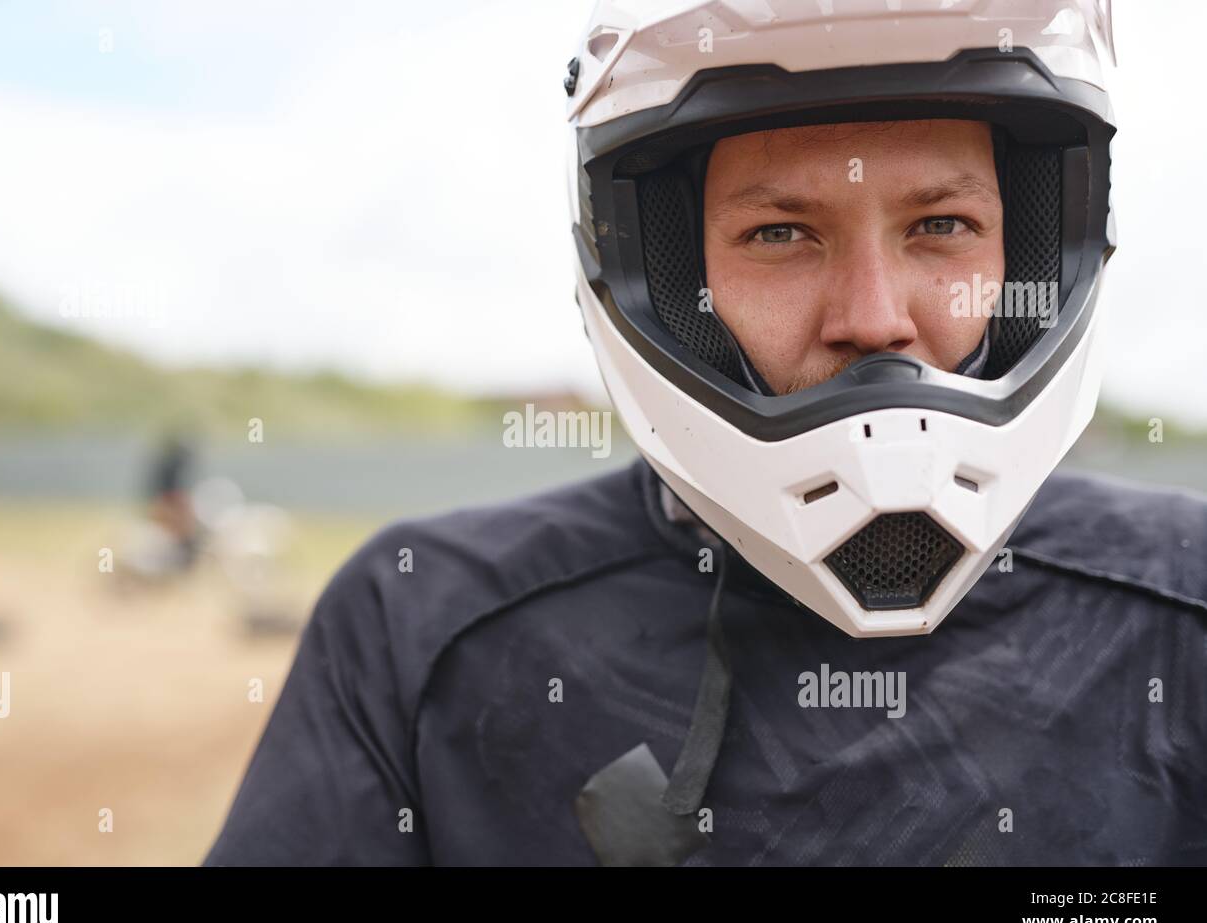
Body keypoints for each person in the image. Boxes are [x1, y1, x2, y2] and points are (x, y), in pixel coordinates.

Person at [205, 0, 1207, 866]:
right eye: (780, 233)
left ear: (1031, 245)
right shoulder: (422, 623)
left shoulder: (1183, 608)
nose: (873, 315)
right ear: (669, 275)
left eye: (939, 226)